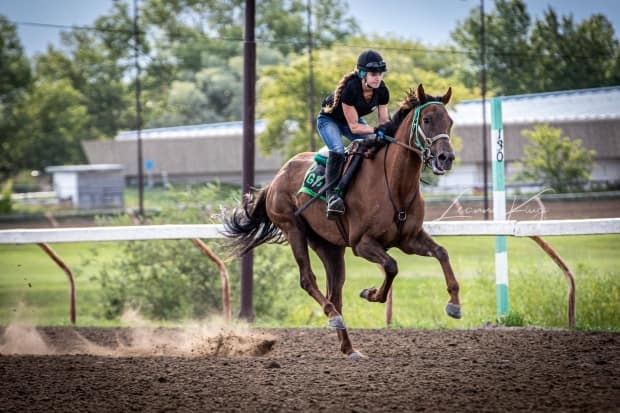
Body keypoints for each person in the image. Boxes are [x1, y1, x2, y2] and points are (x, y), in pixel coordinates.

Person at [316, 49, 390, 219]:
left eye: (380, 73)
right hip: (330, 121)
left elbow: (384, 121)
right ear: (363, 73)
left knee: (375, 145)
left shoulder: (382, 90)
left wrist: (386, 132)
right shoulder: (350, 89)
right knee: (338, 150)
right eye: (373, 74)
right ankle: (331, 197)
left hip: (351, 122)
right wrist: (375, 130)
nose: (378, 77)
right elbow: (355, 128)